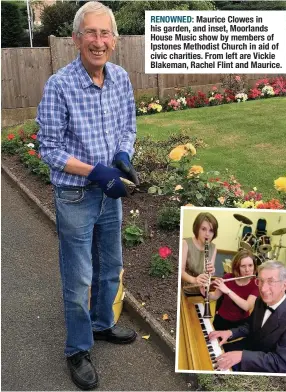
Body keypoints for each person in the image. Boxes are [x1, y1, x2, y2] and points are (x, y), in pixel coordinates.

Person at [36, 2, 138, 390]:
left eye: (105, 33)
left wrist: (122, 156)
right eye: (91, 33)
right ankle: (77, 349)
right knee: (79, 279)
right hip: (76, 197)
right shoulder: (60, 85)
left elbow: (127, 125)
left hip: (110, 194)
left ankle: (101, 325)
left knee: (110, 267)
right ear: (76, 39)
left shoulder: (121, 79)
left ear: (114, 39)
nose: (99, 41)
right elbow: (49, 148)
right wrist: (96, 171)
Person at [209, 261, 286, 373]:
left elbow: (282, 363)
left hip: (263, 365)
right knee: (211, 356)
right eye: (260, 281)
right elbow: (249, 325)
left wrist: (243, 356)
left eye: (271, 282)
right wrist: (230, 332)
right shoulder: (260, 301)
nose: (263, 289)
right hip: (248, 346)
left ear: (284, 285)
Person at [203, 249, 259, 330]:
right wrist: (205, 291)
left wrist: (228, 291)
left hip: (241, 323)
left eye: (250, 265)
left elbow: (247, 306)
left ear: (254, 266)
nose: (247, 270)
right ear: (237, 267)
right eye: (243, 266)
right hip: (222, 319)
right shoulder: (228, 277)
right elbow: (215, 296)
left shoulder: (255, 284)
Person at [182, 212, 218, 290]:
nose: (207, 234)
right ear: (197, 228)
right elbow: (180, 271)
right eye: (203, 229)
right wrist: (194, 280)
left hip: (202, 290)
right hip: (185, 289)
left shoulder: (213, 248)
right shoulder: (185, 243)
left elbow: (209, 274)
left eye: (211, 230)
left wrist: (212, 271)